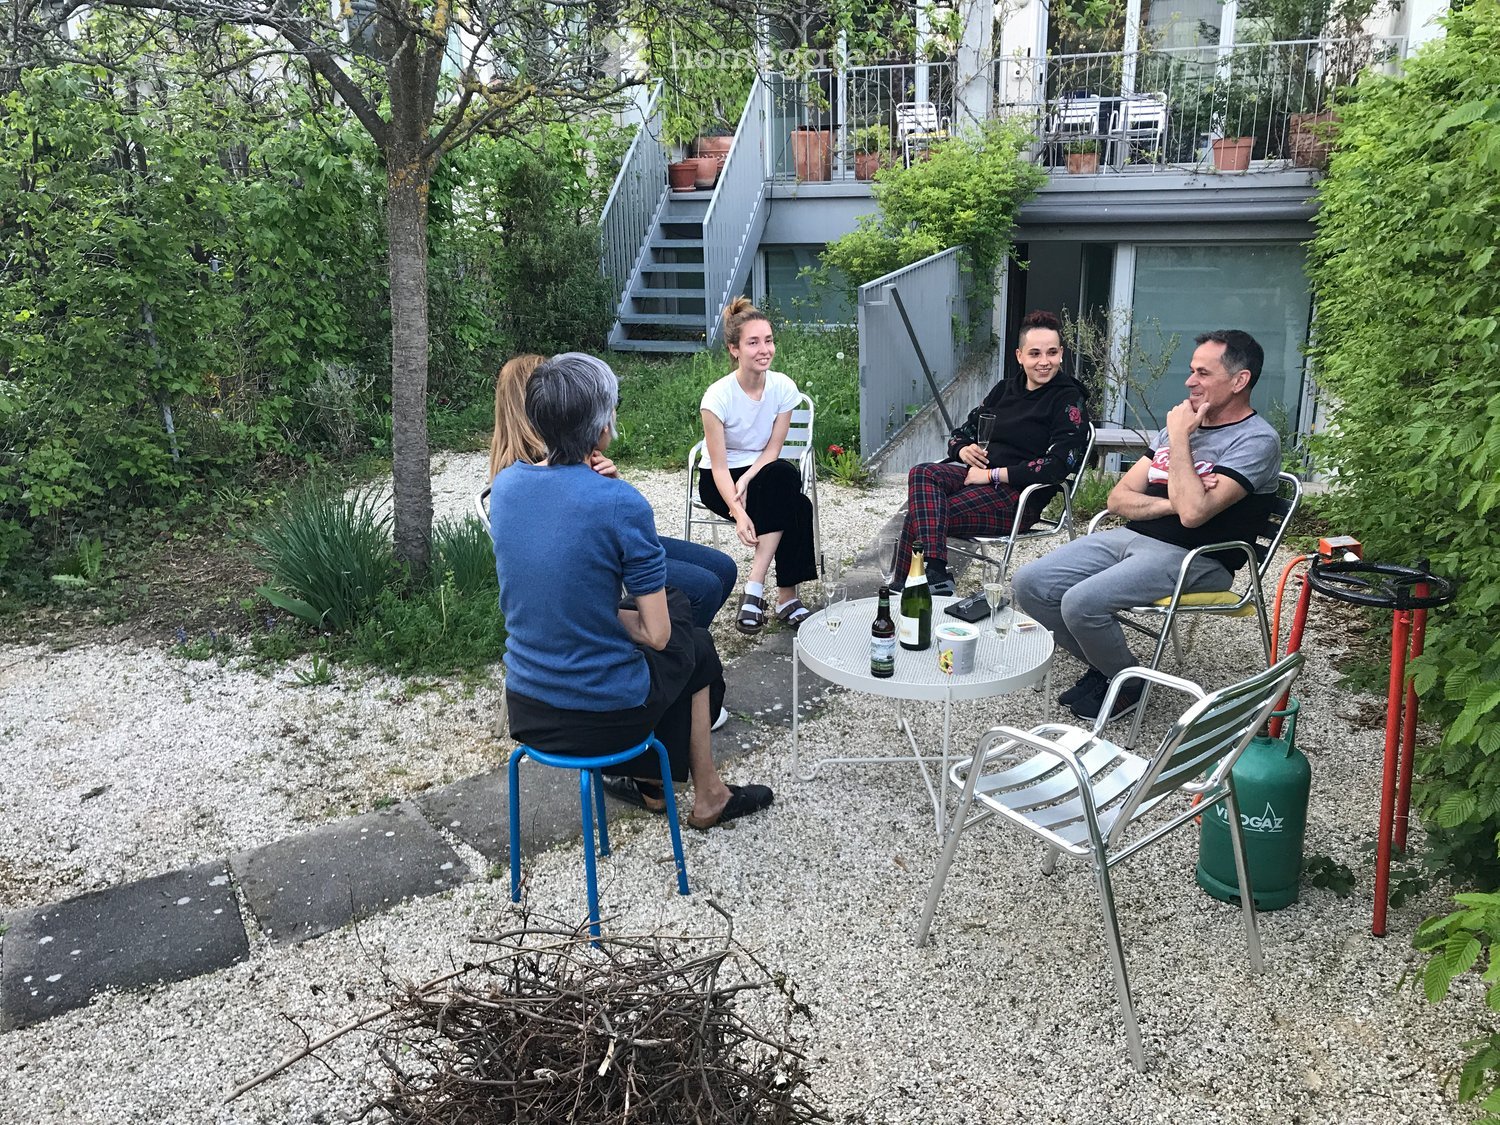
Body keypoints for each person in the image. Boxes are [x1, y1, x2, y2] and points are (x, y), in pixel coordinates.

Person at [490, 352, 773, 829]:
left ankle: (680, 790)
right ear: (603, 427)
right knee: (693, 642)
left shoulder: (507, 486)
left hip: (529, 708)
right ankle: (706, 796)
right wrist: (605, 616)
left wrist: (592, 614)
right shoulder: (620, 501)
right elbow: (657, 635)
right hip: (601, 719)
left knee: (682, 617)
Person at [1011, 329, 1283, 722]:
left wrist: (1179, 440)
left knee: (1081, 603)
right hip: (1132, 536)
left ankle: (1127, 683)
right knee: (1030, 584)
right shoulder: (1179, 426)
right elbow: (1119, 498)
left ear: (1240, 381)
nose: (1190, 382)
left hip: (1198, 557)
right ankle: (1110, 669)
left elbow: (1194, 517)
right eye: (1192, 371)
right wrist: (1173, 500)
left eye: (1203, 373)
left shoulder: (1256, 440)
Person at [490, 354, 738, 633]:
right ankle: (675, 661)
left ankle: (683, 654)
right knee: (703, 587)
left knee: (722, 568)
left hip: (602, 534)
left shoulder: (512, 478)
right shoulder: (521, 475)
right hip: (593, 555)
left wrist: (605, 485)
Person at [888, 310, 1090, 596]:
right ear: (1020, 356)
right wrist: (963, 449)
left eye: (1052, 353)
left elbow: (1058, 465)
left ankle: (905, 592)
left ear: (1061, 354)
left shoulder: (1068, 398)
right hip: (975, 478)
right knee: (921, 472)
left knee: (920, 516)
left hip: (1018, 496)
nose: (1044, 362)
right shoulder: (1004, 390)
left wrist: (991, 474)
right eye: (1035, 353)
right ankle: (933, 575)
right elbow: (960, 433)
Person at [698, 298, 819, 635]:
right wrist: (738, 512)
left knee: (783, 475)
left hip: (762, 472)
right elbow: (719, 468)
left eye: (768, 340)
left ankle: (755, 588)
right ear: (734, 349)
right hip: (718, 480)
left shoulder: (782, 387)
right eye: (753, 342)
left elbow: (773, 449)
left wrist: (749, 477)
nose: (764, 349)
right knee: (796, 502)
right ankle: (786, 599)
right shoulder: (717, 397)